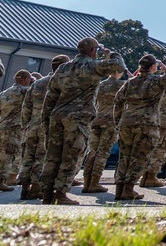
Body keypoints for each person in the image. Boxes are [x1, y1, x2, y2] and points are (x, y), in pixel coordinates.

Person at [39, 38, 126, 205]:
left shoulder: (63, 68)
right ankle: (61, 193)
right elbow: (119, 66)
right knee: (71, 156)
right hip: (78, 117)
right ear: (93, 51)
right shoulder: (93, 66)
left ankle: (47, 193)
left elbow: (51, 96)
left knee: (53, 156)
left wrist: (46, 120)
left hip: (57, 116)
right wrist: (109, 53)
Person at [113, 55, 166, 200]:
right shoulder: (157, 81)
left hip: (127, 122)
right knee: (139, 157)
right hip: (146, 123)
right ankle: (128, 189)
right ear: (153, 67)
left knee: (124, 157)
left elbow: (118, 101)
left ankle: (120, 190)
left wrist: (118, 119)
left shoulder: (130, 82)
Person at [18, 55, 69, 200]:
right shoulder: (61, 82)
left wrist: (25, 124)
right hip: (48, 125)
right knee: (42, 157)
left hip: (32, 125)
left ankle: (24, 188)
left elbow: (26, 106)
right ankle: (36, 188)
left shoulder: (37, 83)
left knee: (28, 156)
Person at [0, 71, 33, 191]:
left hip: (2, 126)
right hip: (15, 128)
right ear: (24, 79)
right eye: (29, 79)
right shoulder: (25, 92)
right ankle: (1, 181)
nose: (30, 81)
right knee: (9, 155)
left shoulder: (4, 93)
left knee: (2, 154)